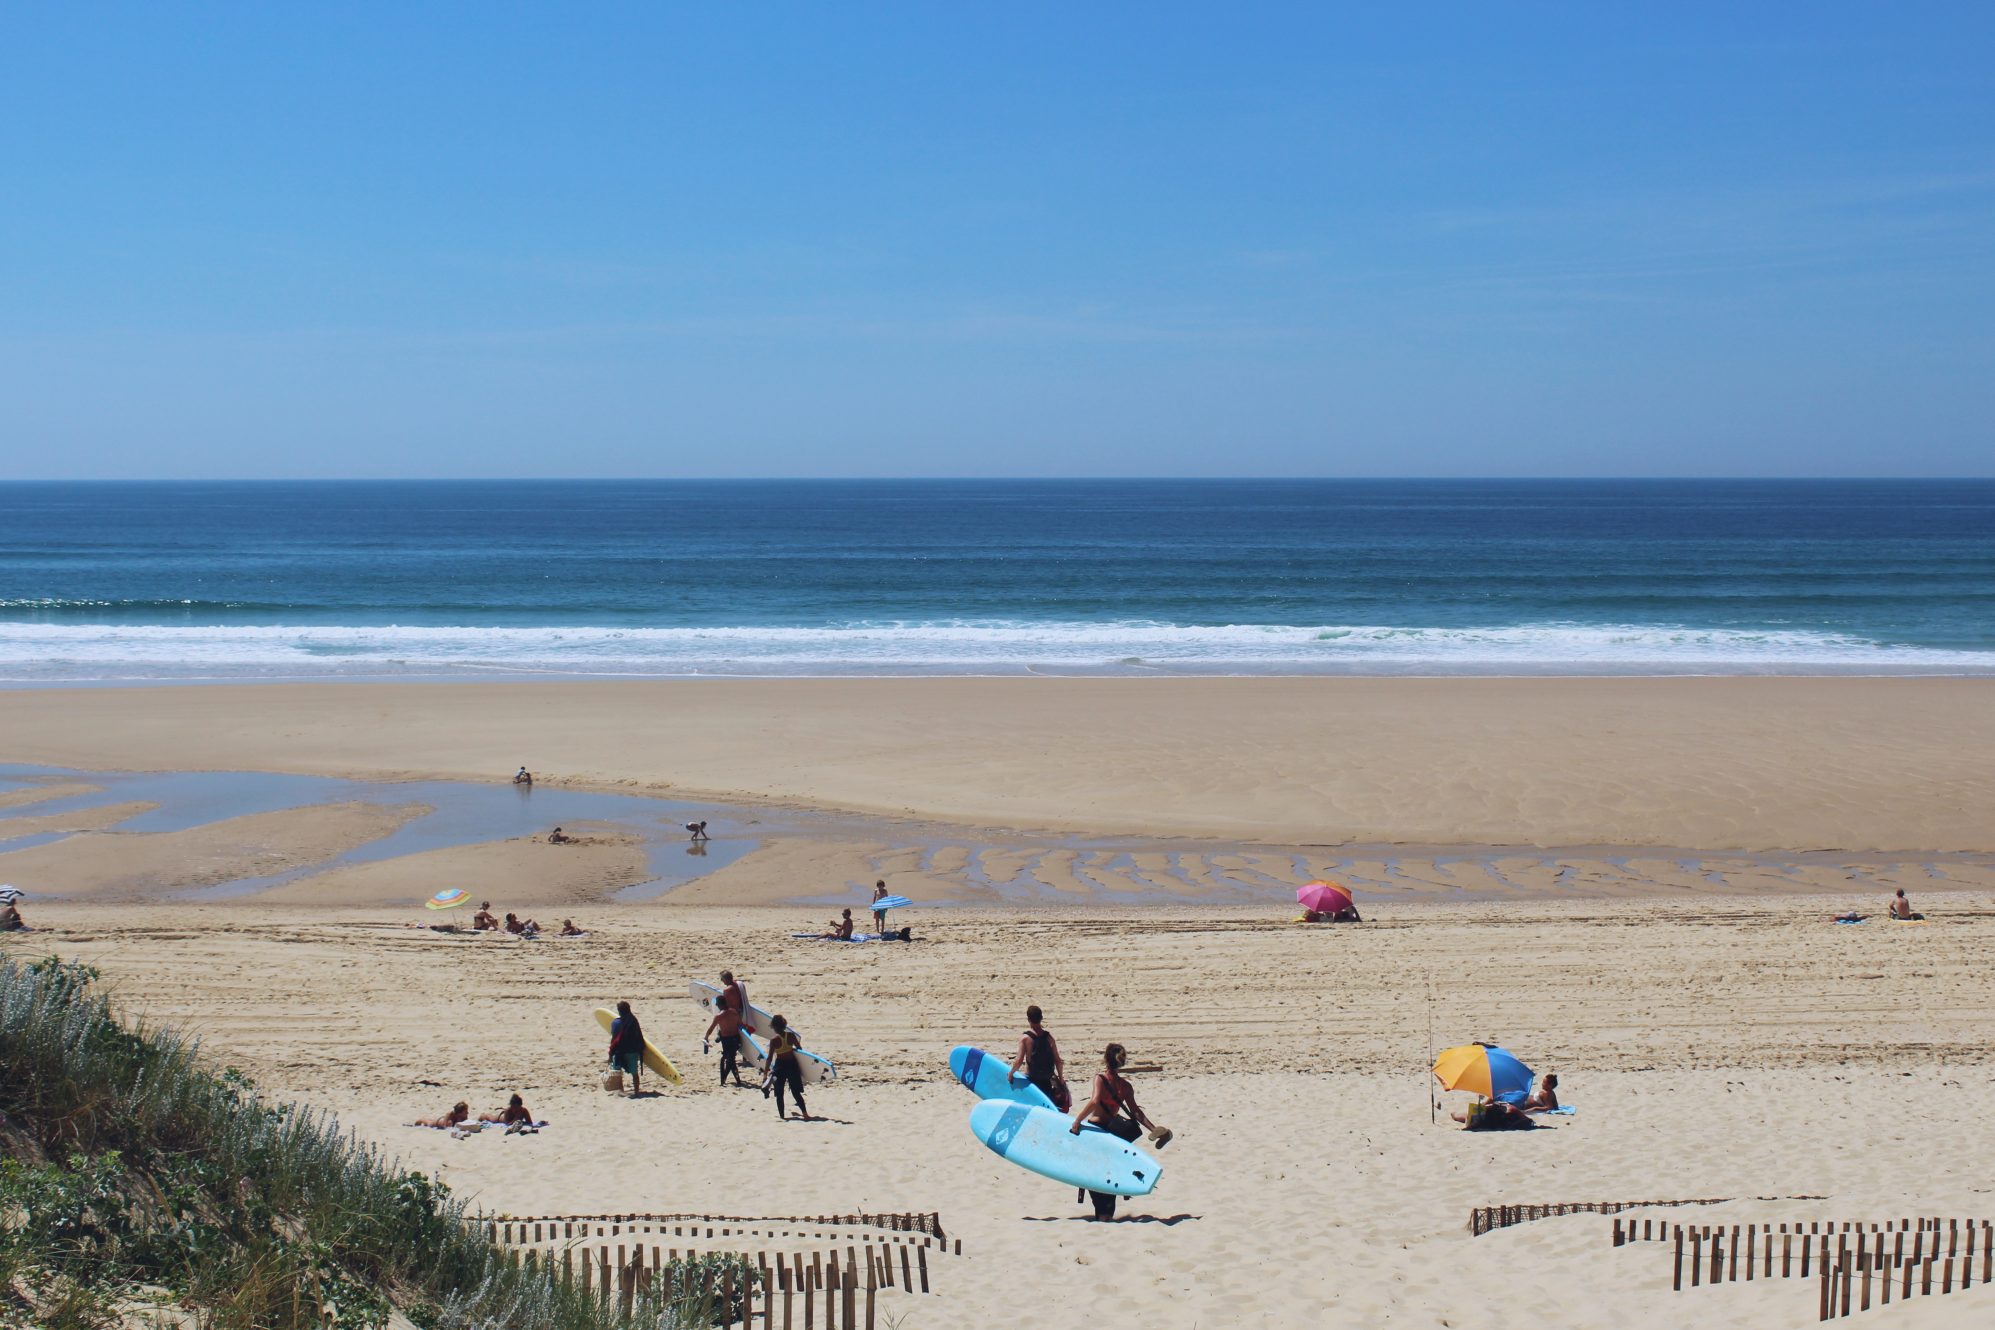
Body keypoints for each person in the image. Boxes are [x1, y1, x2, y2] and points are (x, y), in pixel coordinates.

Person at [1070, 1043, 1172, 1220]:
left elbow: (1095, 1101)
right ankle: (1107, 1213)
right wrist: (1153, 1128)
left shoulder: (1100, 1078)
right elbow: (1136, 1112)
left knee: (1093, 1173)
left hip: (1095, 1131)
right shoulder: (1125, 1086)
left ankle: (1101, 1213)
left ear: (1105, 1059)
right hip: (1113, 1135)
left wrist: (1077, 1121)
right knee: (1109, 1172)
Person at [1009, 1005, 1068, 1109]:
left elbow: (1018, 1061)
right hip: (1047, 1080)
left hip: (1031, 1079)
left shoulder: (1025, 1038)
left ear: (1028, 1019)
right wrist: (1061, 1078)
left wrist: (1011, 1074)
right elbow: (1058, 1061)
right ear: (1041, 1018)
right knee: (1046, 1106)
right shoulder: (1049, 1038)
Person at [761, 1014, 812, 1120]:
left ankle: (782, 1116)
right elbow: (800, 1050)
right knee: (795, 1092)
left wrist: (765, 1074)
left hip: (780, 1067)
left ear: (774, 1027)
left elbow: (769, 1058)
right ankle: (805, 1113)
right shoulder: (791, 1036)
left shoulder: (774, 1040)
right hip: (792, 1065)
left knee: (779, 1093)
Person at [705, 996, 751, 1088]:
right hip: (736, 1039)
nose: (716, 1004)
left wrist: (706, 1037)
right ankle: (734, 1080)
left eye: (717, 1003)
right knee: (731, 1060)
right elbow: (741, 1026)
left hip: (727, 1041)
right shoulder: (734, 1012)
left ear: (720, 1004)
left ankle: (724, 1079)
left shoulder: (719, 1016)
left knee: (727, 1060)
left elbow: (711, 1029)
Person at [608, 1000, 645, 1095]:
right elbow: (638, 1037)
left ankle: (620, 1090)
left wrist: (610, 1054)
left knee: (617, 1071)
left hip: (619, 1052)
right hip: (632, 1051)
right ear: (629, 1010)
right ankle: (636, 1091)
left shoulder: (615, 1023)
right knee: (634, 1072)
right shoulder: (633, 1021)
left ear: (619, 1011)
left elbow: (614, 1039)